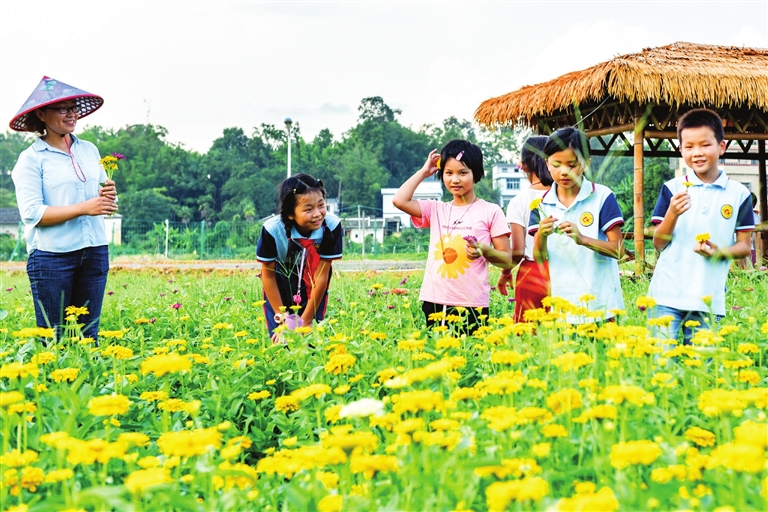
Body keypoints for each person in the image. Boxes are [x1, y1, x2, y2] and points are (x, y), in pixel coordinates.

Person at [10, 76, 118, 341]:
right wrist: (84, 207)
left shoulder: (90, 150)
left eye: (74, 108)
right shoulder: (31, 159)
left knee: (87, 336)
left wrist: (109, 199)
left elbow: (102, 204)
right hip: (52, 257)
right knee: (53, 338)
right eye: (63, 109)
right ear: (42, 114)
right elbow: (32, 214)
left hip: (94, 251)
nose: (71, 114)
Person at [648, 108, 754, 342]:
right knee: (659, 365)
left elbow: (745, 246)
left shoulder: (739, 194)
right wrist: (672, 214)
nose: (697, 153)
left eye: (705, 145)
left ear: (721, 147)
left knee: (703, 369)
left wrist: (720, 252)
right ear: (681, 150)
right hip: (666, 295)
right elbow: (658, 243)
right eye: (689, 146)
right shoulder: (672, 188)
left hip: (708, 297)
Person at [393, 139, 513, 334]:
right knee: (440, 358)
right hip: (436, 300)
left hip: (473, 303)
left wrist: (484, 251)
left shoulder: (491, 211)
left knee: (471, 357)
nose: (455, 179)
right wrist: (424, 172)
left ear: (476, 174)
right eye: (448, 173)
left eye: (463, 173)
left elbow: (507, 260)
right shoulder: (435, 209)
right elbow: (399, 200)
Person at [530, 127, 625, 324]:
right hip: (562, 306)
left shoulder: (601, 196)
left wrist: (583, 239)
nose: (563, 172)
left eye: (572, 165)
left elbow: (618, 251)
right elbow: (539, 258)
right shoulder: (540, 204)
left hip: (602, 305)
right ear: (546, 163)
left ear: (586, 164)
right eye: (556, 164)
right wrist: (542, 234)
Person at [257, 174, 342, 341]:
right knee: (281, 341)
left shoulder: (332, 226)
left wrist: (307, 321)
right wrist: (282, 318)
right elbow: (268, 275)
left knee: (310, 340)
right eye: (308, 209)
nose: (317, 214)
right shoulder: (272, 230)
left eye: (321, 205)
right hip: (280, 282)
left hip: (314, 281)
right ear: (290, 213)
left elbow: (322, 275)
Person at [496, 136, 553, 322]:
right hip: (564, 269)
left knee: (529, 336)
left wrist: (505, 273)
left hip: (532, 273)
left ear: (524, 166)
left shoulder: (518, 201)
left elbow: (518, 251)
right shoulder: (565, 195)